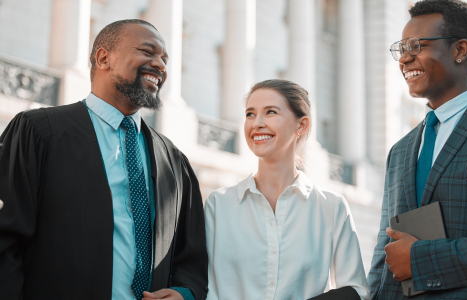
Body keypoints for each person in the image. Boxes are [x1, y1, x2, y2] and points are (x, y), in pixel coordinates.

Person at [0, 19, 207, 300]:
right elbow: (6, 240)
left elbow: (191, 256)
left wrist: (184, 293)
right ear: (103, 58)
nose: (160, 65)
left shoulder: (173, 160)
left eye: (164, 58)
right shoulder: (39, 132)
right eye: (148, 51)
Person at [367, 0, 467, 299]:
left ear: (460, 50)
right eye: (401, 49)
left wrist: (420, 259)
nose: (404, 59)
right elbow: (383, 252)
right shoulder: (400, 151)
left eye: (416, 46)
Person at [204, 79, 370, 300]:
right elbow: (203, 285)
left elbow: (357, 291)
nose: (257, 123)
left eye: (270, 112)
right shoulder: (218, 204)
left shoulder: (332, 207)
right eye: (250, 114)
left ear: (301, 126)